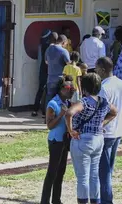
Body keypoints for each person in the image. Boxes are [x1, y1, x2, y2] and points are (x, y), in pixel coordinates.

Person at [65, 73, 117, 204]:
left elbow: (69, 113)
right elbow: (114, 111)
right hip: (98, 139)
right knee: (94, 176)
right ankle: (96, 201)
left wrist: (71, 130)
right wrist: (102, 123)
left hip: (83, 139)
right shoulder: (103, 101)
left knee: (82, 177)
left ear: (85, 87)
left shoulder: (84, 102)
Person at [40, 76, 75, 204]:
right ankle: (44, 201)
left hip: (64, 141)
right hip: (55, 141)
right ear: (60, 89)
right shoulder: (53, 104)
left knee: (61, 172)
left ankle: (56, 200)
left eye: (73, 88)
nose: (71, 90)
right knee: (52, 172)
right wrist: (61, 115)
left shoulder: (67, 103)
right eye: (68, 88)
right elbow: (49, 125)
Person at [96, 57, 122, 204]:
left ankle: (106, 200)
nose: (95, 72)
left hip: (106, 132)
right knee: (108, 169)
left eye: (96, 69)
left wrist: (98, 125)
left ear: (102, 69)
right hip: (118, 130)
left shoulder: (103, 87)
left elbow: (102, 112)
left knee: (104, 172)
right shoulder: (120, 83)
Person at [33, 30, 54, 117]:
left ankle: (35, 109)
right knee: (49, 92)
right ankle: (46, 111)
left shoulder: (42, 46)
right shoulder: (50, 47)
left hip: (42, 70)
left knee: (40, 90)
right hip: (49, 71)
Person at [46, 34, 71, 103]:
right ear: (63, 42)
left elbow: (46, 62)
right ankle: (58, 113)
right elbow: (69, 64)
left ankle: (48, 112)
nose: (66, 46)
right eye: (66, 44)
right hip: (60, 79)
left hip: (50, 78)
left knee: (49, 97)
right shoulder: (64, 51)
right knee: (61, 98)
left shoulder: (48, 49)